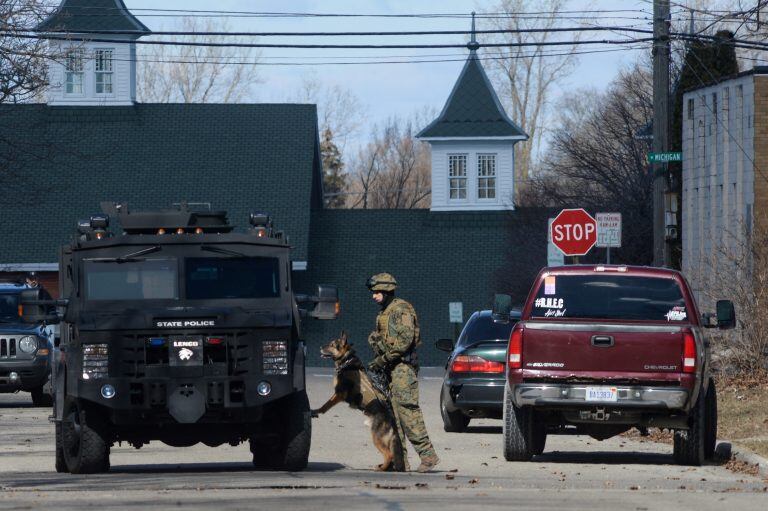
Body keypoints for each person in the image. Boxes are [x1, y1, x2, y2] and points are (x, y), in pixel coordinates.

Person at [366, 273, 439, 473]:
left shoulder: (401, 309)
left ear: (387, 290)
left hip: (402, 369)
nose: (374, 296)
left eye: (377, 292)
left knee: (408, 413)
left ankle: (428, 456)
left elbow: (405, 341)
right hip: (392, 369)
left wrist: (381, 360)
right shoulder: (385, 312)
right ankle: (400, 462)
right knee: (394, 417)